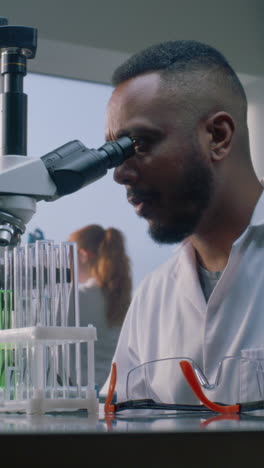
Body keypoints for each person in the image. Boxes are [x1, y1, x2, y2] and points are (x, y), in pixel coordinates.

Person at [100, 39, 264, 406]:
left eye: (140, 143)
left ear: (217, 136)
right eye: (115, 152)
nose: (120, 174)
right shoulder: (153, 296)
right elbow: (124, 434)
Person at [67, 224, 132, 389]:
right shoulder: (124, 297)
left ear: (82, 255)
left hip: (82, 396)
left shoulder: (76, 299)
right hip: (115, 392)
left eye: (67, 255)